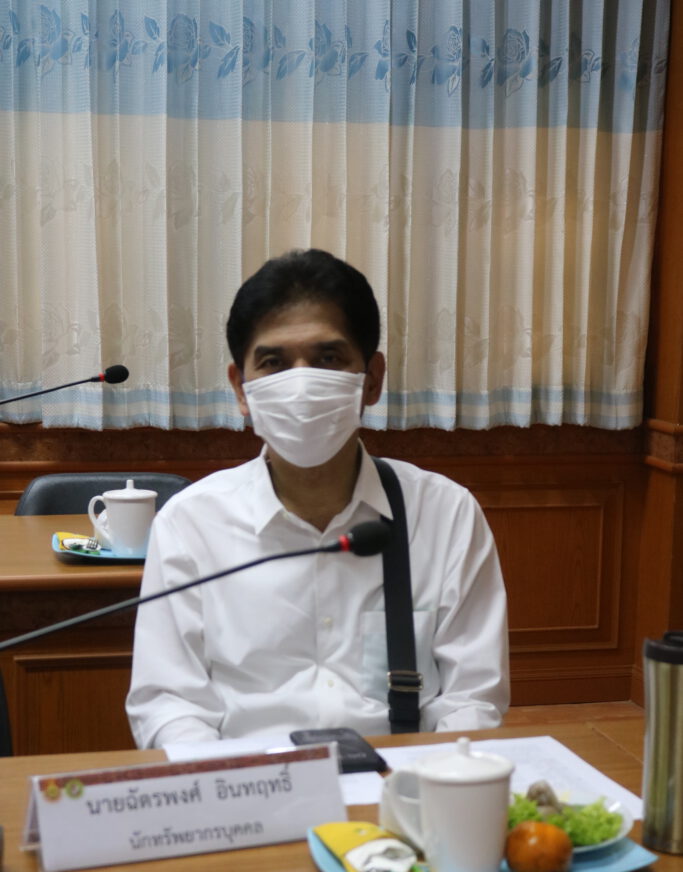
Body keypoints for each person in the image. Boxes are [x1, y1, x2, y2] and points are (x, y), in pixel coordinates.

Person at [126, 249, 509, 748]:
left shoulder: (446, 515)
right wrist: (228, 782)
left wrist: (429, 783)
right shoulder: (190, 524)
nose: (301, 384)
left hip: (401, 780)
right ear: (241, 389)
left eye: (328, 359)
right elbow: (169, 704)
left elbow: (471, 702)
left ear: (371, 379)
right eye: (274, 363)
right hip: (247, 781)